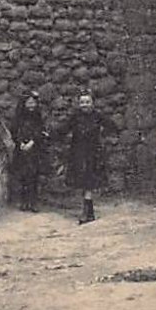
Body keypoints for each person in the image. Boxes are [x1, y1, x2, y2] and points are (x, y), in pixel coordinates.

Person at [64, 92, 113, 224]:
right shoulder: (75, 117)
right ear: (79, 104)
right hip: (78, 153)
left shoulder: (97, 116)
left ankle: (86, 212)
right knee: (83, 182)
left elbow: (111, 126)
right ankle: (89, 211)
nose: (85, 105)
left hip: (93, 153)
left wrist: (106, 140)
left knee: (89, 181)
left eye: (87, 102)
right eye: (82, 102)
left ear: (92, 103)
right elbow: (63, 129)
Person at [9, 92, 47, 212]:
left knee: (34, 176)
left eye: (33, 103)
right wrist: (20, 143)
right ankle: (24, 201)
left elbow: (40, 131)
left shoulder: (37, 117)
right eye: (29, 103)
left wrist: (32, 142)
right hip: (21, 150)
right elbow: (14, 131)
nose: (31, 106)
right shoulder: (18, 118)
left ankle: (33, 201)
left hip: (34, 150)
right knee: (23, 175)